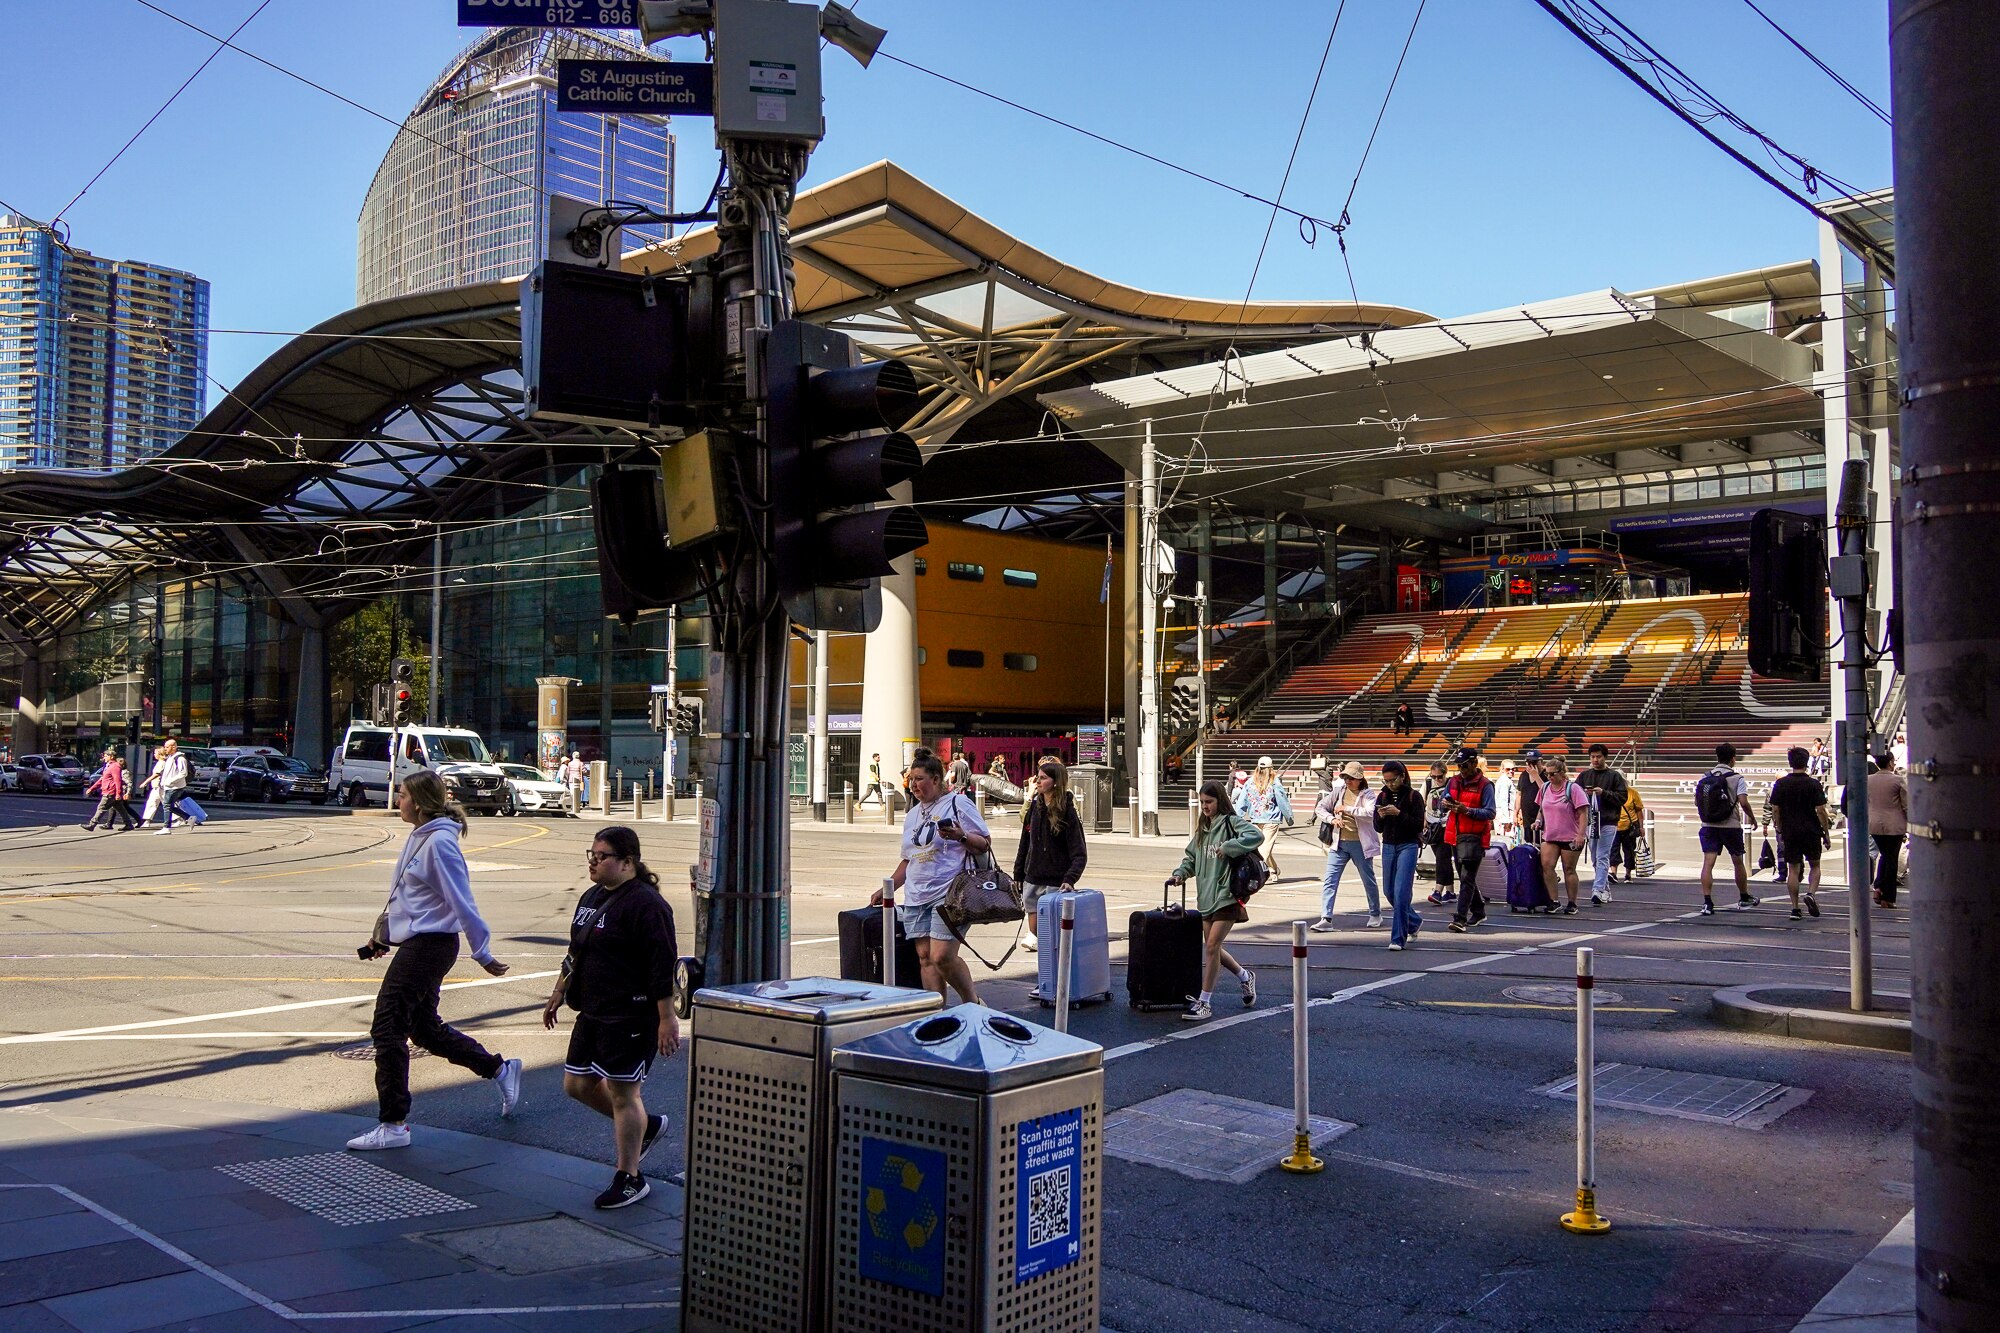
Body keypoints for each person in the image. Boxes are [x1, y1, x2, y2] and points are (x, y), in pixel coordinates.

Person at [348, 769, 520, 1152]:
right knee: (423, 1029)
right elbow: (409, 899)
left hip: (431, 945)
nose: (398, 801)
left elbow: (463, 901)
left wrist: (483, 952)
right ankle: (498, 1069)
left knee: (387, 1026)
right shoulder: (420, 836)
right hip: (420, 942)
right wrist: (384, 937)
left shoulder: (440, 844)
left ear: (422, 803)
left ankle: (393, 1125)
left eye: (404, 795)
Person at [543, 825, 680, 1209]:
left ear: (627, 862)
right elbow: (575, 950)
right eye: (591, 855)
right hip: (593, 1009)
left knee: (623, 1093)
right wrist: (557, 992)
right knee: (577, 1085)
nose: (593, 863)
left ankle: (630, 1177)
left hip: (630, 1014)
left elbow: (661, 965)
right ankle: (646, 1126)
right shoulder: (591, 896)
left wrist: (666, 1018)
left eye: (601, 857)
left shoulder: (647, 905)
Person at [869, 748, 987, 1005]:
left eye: (919, 778)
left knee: (942, 955)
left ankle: (973, 1003)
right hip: (916, 894)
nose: (913, 784)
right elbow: (908, 859)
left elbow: (984, 843)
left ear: (936, 779)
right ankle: (936, 1013)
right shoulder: (912, 814)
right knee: (925, 957)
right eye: (911, 779)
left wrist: (961, 836)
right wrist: (888, 888)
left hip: (950, 893)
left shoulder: (957, 803)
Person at [1168, 779, 1264, 1022]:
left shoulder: (1231, 823)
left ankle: (1205, 1002)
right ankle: (1245, 976)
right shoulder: (1203, 829)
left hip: (1227, 894)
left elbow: (1256, 835)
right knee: (1213, 948)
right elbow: (1191, 857)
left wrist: (1231, 845)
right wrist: (1180, 873)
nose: (1205, 807)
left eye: (1209, 802)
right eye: (1202, 802)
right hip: (1206, 895)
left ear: (1220, 800)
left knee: (1211, 947)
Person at [1012, 759, 1087, 953]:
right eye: (1038, 777)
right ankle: (1045, 977)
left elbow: (1079, 851)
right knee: (1036, 936)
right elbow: (1025, 843)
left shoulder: (1067, 810)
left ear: (1055, 782)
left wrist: (1070, 878)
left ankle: (1054, 979)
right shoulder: (1035, 808)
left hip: (1056, 881)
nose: (1037, 781)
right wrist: (1018, 874)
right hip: (1032, 877)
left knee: (1052, 939)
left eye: (1043, 778)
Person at [1310, 760, 1381, 930]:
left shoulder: (1368, 794)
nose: (1348, 781)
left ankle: (1375, 913)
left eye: (1351, 778)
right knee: (1330, 880)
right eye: (1345, 777)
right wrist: (1331, 819)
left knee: (1368, 880)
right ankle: (1326, 918)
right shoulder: (1339, 791)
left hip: (1360, 844)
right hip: (1339, 843)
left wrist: (1347, 809)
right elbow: (1320, 807)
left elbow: (1370, 813)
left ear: (1360, 779)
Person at [1763, 747, 1830, 921]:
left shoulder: (1781, 783)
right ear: (1806, 762)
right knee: (1815, 865)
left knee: (1793, 869)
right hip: (1811, 830)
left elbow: (1775, 808)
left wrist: (1779, 826)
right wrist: (1826, 833)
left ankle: (1794, 908)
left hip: (1790, 831)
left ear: (1790, 762)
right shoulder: (1813, 784)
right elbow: (1821, 810)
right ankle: (1811, 893)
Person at [1696, 743, 1760, 917]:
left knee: (1708, 864)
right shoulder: (1737, 778)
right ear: (1733, 758)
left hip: (1709, 825)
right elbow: (1744, 802)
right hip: (1731, 826)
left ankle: (1707, 903)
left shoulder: (1706, 776)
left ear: (1717, 757)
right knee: (1737, 861)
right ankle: (1744, 896)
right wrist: (1753, 818)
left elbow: (1698, 801)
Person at [1373, 760, 1426, 950]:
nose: (1389, 784)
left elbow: (1418, 824)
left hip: (1408, 845)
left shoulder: (1414, 796)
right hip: (1388, 845)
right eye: (1386, 781)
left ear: (1402, 777)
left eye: (1393, 780)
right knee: (1389, 891)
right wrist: (1380, 815)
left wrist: (1398, 813)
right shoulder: (1382, 796)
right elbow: (1377, 827)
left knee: (1402, 892)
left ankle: (1397, 938)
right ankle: (1413, 922)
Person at [1444, 748, 1497, 932]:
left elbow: (1490, 812)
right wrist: (1446, 804)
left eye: (1465, 765)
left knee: (1466, 878)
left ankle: (1460, 918)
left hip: (1474, 838)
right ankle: (1479, 911)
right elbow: (1443, 801)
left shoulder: (1485, 785)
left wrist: (1466, 810)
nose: (1461, 769)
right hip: (1454, 836)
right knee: (1466, 877)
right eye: (1459, 766)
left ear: (1474, 763)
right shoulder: (1453, 781)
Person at [1535, 755, 1589, 915]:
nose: (1550, 777)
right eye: (1547, 774)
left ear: (1562, 773)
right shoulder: (1544, 788)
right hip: (1550, 835)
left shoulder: (1573, 789)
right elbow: (1541, 808)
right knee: (1547, 866)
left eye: (1553, 774)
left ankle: (1572, 902)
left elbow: (1583, 812)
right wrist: (1538, 820)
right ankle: (1554, 900)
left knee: (1569, 869)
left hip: (1570, 836)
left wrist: (1581, 834)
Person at [1576, 744, 1629, 905]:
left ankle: (1597, 889)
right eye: (1592, 757)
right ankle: (1605, 889)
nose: (1595, 760)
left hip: (1608, 821)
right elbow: (1574, 793)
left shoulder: (1614, 776)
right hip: (1590, 822)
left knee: (1602, 856)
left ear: (1605, 757)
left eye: (1598, 756)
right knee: (1594, 858)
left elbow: (1622, 797)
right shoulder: (1584, 775)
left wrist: (1603, 793)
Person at [1233, 756, 1294, 878]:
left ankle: (1257, 872)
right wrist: (1289, 816)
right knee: (1264, 848)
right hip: (1269, 818)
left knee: (1263, 848)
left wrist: (1237, 816)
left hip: (1260, 819)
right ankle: (1270, 870)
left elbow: (1242, 800)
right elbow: (1282, 799)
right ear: (1271, 768)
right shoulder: (1274, 781)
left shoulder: (1250, 782)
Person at [1867, 752, 1908, 907]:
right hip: (1894, 825)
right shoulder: (1898, 780)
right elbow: (1906, 804)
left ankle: (1878, 886)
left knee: (1885, 855)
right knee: (1892, 860)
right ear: (1891, 762)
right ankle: (1888, 897)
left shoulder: (1868, 780)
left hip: (1875, 824)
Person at [145, 738, 201, 835]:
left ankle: (166, 827)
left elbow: (183, 773)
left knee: (167, 805)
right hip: (169, 786)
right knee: (168, 806)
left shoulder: (180, 758)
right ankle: (188, 818)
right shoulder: (170, 758)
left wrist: (169, 782)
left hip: (175, 786)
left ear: (174, 747)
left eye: (167, 747)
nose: (165, 749)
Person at [1424, 759, 1458, 904]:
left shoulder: (1451, 785)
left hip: (1446, 825)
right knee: (1443, 859)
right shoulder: (1427, 784)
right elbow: (1422, 803)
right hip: (1432, 827)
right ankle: (1450, 891)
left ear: (1445, 774)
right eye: (1434, 777)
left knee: (1442, 858)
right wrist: (1424, 821)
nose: (1437, 780)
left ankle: (1438, 890)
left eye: (1440, 777)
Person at [83, 748, 137, 832]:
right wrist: (92, 788)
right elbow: (102, 779)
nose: (104, 758)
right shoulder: (109, 766)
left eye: (105, 756)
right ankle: (128, 824)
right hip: (110, 791)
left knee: (101, 808)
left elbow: (117, 780)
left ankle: (92, 825)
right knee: (120, 809)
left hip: (110, 792)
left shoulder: (115, 766)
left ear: (111, 756)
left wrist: (118, 793)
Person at [1615, 782, 1646, 883]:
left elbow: (1639, 811)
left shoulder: (1633, 793)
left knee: (1629, 851)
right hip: (1614, 826)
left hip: (1629, 827)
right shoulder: (1611, 793)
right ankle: (1613, 873)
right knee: (1613, 851)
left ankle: (1628, 875)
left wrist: (1641, 827)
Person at [1515, 752, 1544, 848]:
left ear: (1540, 762)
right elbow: (1519, 793)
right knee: (1529, 845)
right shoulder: (1524, 775)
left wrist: (1536, 776)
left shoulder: (1546, 775)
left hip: (1542, 817)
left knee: (1541, 845)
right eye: (1529, 762)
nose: (1531, 765)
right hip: (1527, 817)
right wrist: (1516, 812)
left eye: (1534, 762)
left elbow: (1546, 792)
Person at [1495, 758, 1520, 845]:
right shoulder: (1505, 781)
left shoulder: (1505, 780)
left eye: (1513, 769)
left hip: (1505, 813)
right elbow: (1503, 800)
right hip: (1505, 813)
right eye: (1508, 769)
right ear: (1502, 770)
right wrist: (1506, 819)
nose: (1511, 771)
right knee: (1507, 842)